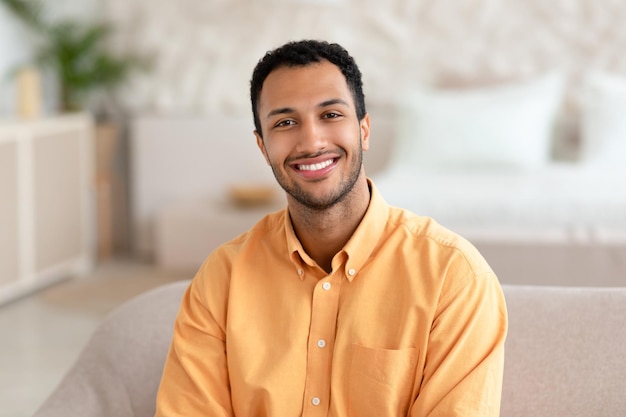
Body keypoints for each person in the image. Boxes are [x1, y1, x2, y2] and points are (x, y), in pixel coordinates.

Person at [155, 39, 507, 417]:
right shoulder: (221, 279)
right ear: (262, 147)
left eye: (331, 115)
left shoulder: (453, 278)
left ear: (365, 130)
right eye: (285, 123)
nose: (312, 141)